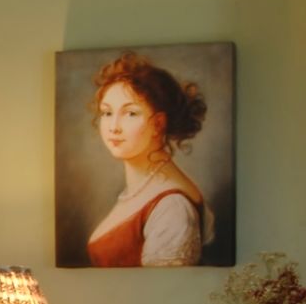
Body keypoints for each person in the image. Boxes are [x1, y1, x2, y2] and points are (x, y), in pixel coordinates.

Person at [85, 52, 213, 267]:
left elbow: (164, 290)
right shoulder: (139, 188)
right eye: (107, 113)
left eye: (131, 113)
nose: (114, 127)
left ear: (158, 124)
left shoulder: (172, 207)